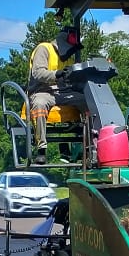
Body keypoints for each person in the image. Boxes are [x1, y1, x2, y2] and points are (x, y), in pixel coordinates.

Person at [27, 25, 81, 165]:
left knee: (88, 100)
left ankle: (86, 145)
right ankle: (41, 149)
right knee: (39, 104)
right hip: (43, 91)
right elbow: (38, 73)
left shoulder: (69, 57)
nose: (72, 51)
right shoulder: (44, 49)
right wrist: (57, 74)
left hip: (64, 92)